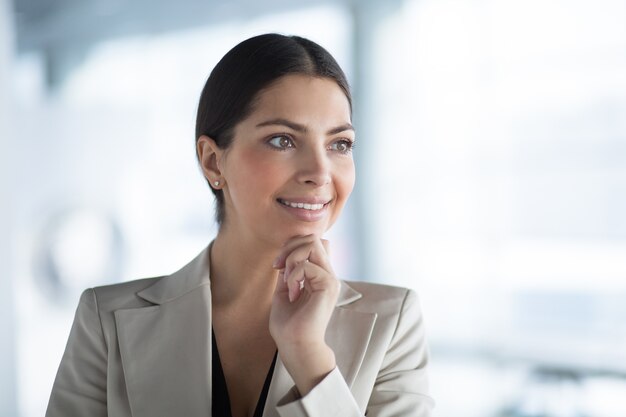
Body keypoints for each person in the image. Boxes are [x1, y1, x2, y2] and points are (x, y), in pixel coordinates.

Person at [46, 33, 434, 417]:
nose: (320, 172)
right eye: (282, 140)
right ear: (214, 161)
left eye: (340, 144)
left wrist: (309, 359)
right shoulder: (106, 321)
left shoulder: (391, 324)